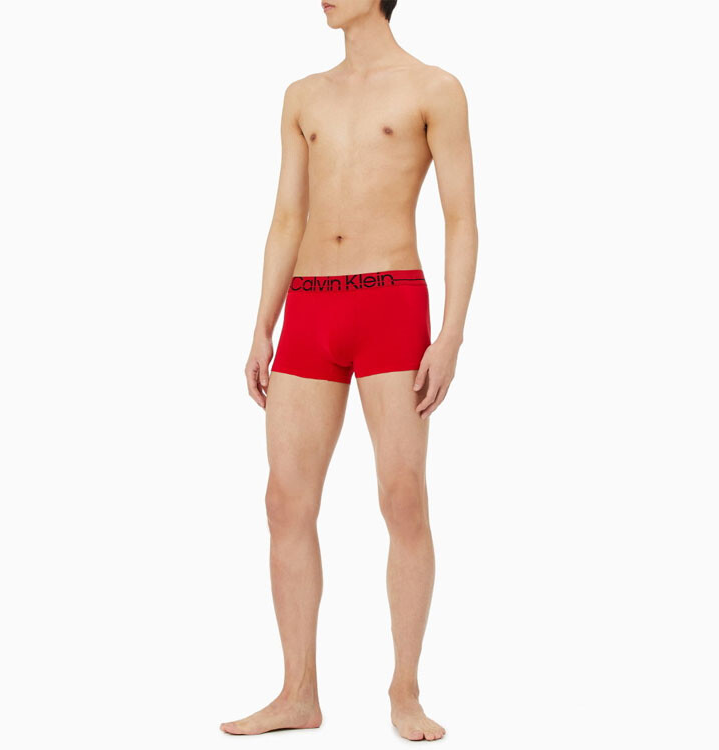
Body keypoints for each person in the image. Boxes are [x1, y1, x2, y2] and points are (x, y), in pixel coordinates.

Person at [222, 0, 478, 741]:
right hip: (310, 304)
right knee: (283, 502)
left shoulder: (434, 88)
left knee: (402, 498)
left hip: (392, 301)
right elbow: (286, 217)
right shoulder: (303, 95)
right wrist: (261, 324)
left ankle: (404, 690)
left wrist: (451, 335)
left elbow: (461, 218)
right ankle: (297, 692)